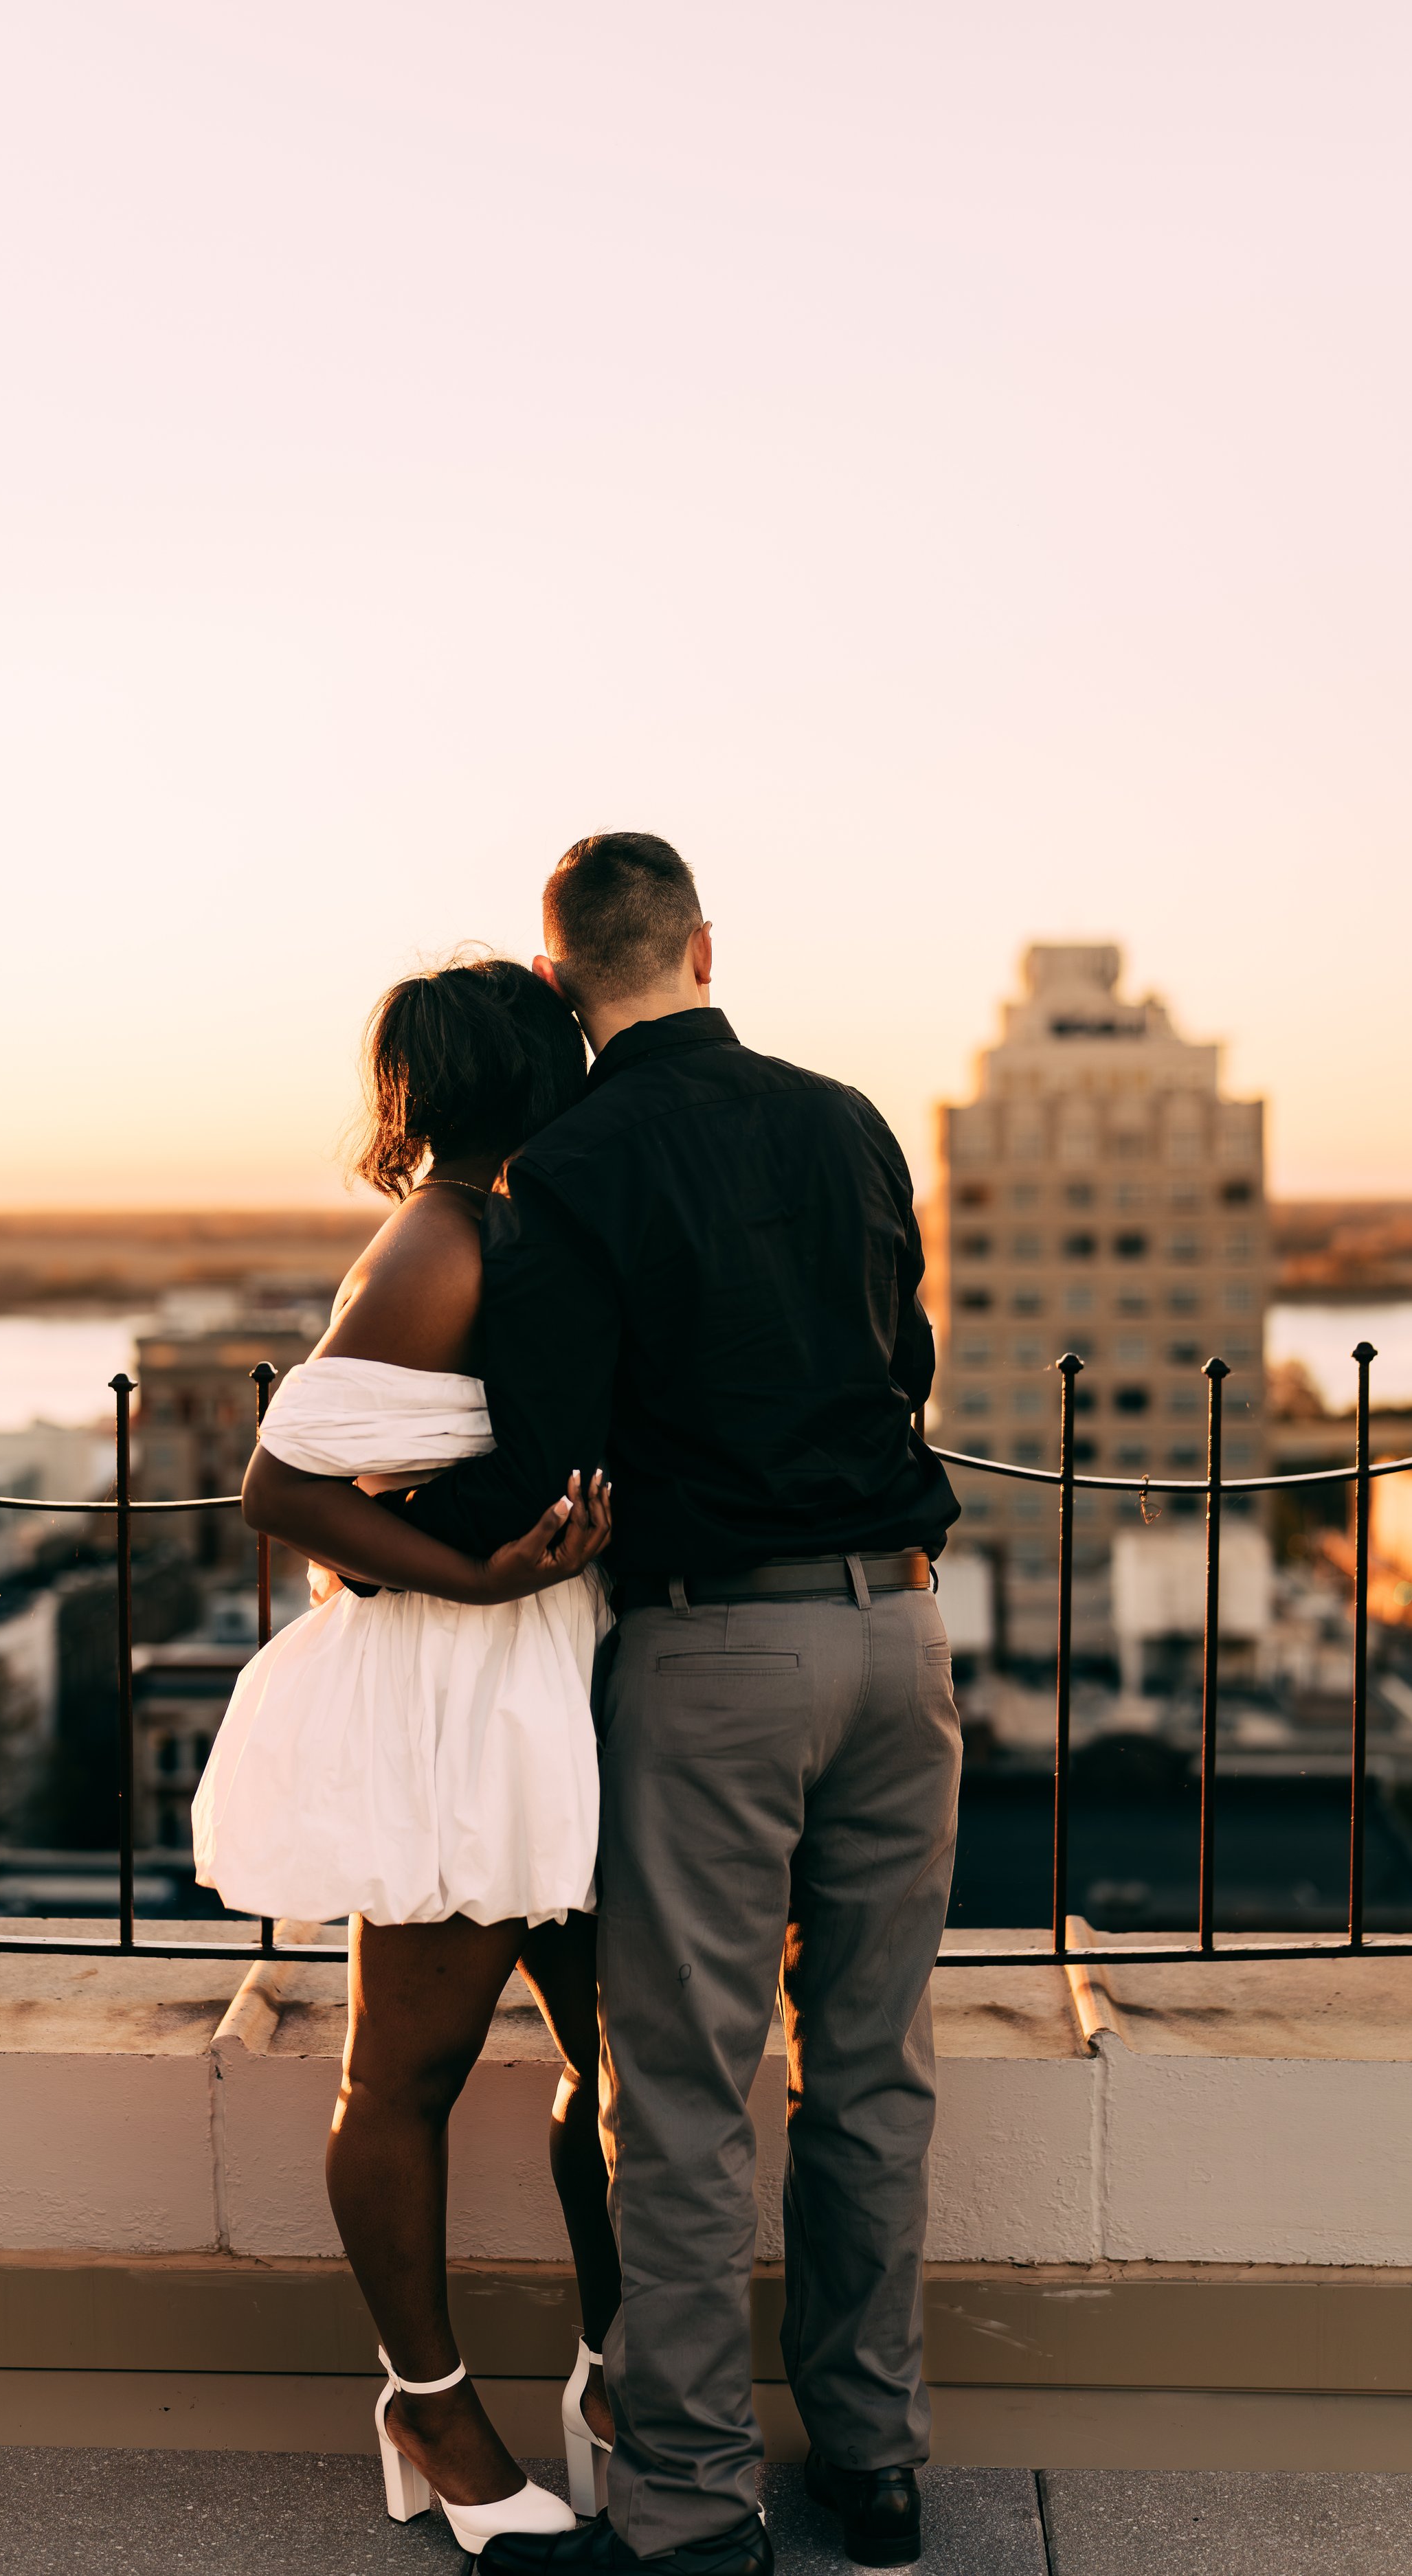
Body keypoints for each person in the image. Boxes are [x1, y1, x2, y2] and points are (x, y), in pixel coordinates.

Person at [388, 835, 963, 2576]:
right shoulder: (848, 1116)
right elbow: (903, 1362)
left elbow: (543, 1441)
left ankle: (697, 2507)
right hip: (901, 1638)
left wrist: (390, 1544)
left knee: (689, 2096)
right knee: (872, 2073)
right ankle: (872, 2467)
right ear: (704, 947)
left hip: (716, 1655)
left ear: (562, 986)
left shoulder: (562, 1162)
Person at [191, 956, 620, 2560]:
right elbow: (279, 1493)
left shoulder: (524, 1231)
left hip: (561, 1684)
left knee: (621, 2066)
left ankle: (613, 2378)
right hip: (462, 1688)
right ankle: (427, 2410)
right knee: (406, 2074)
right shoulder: (440, 1240)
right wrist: (485, 1576)